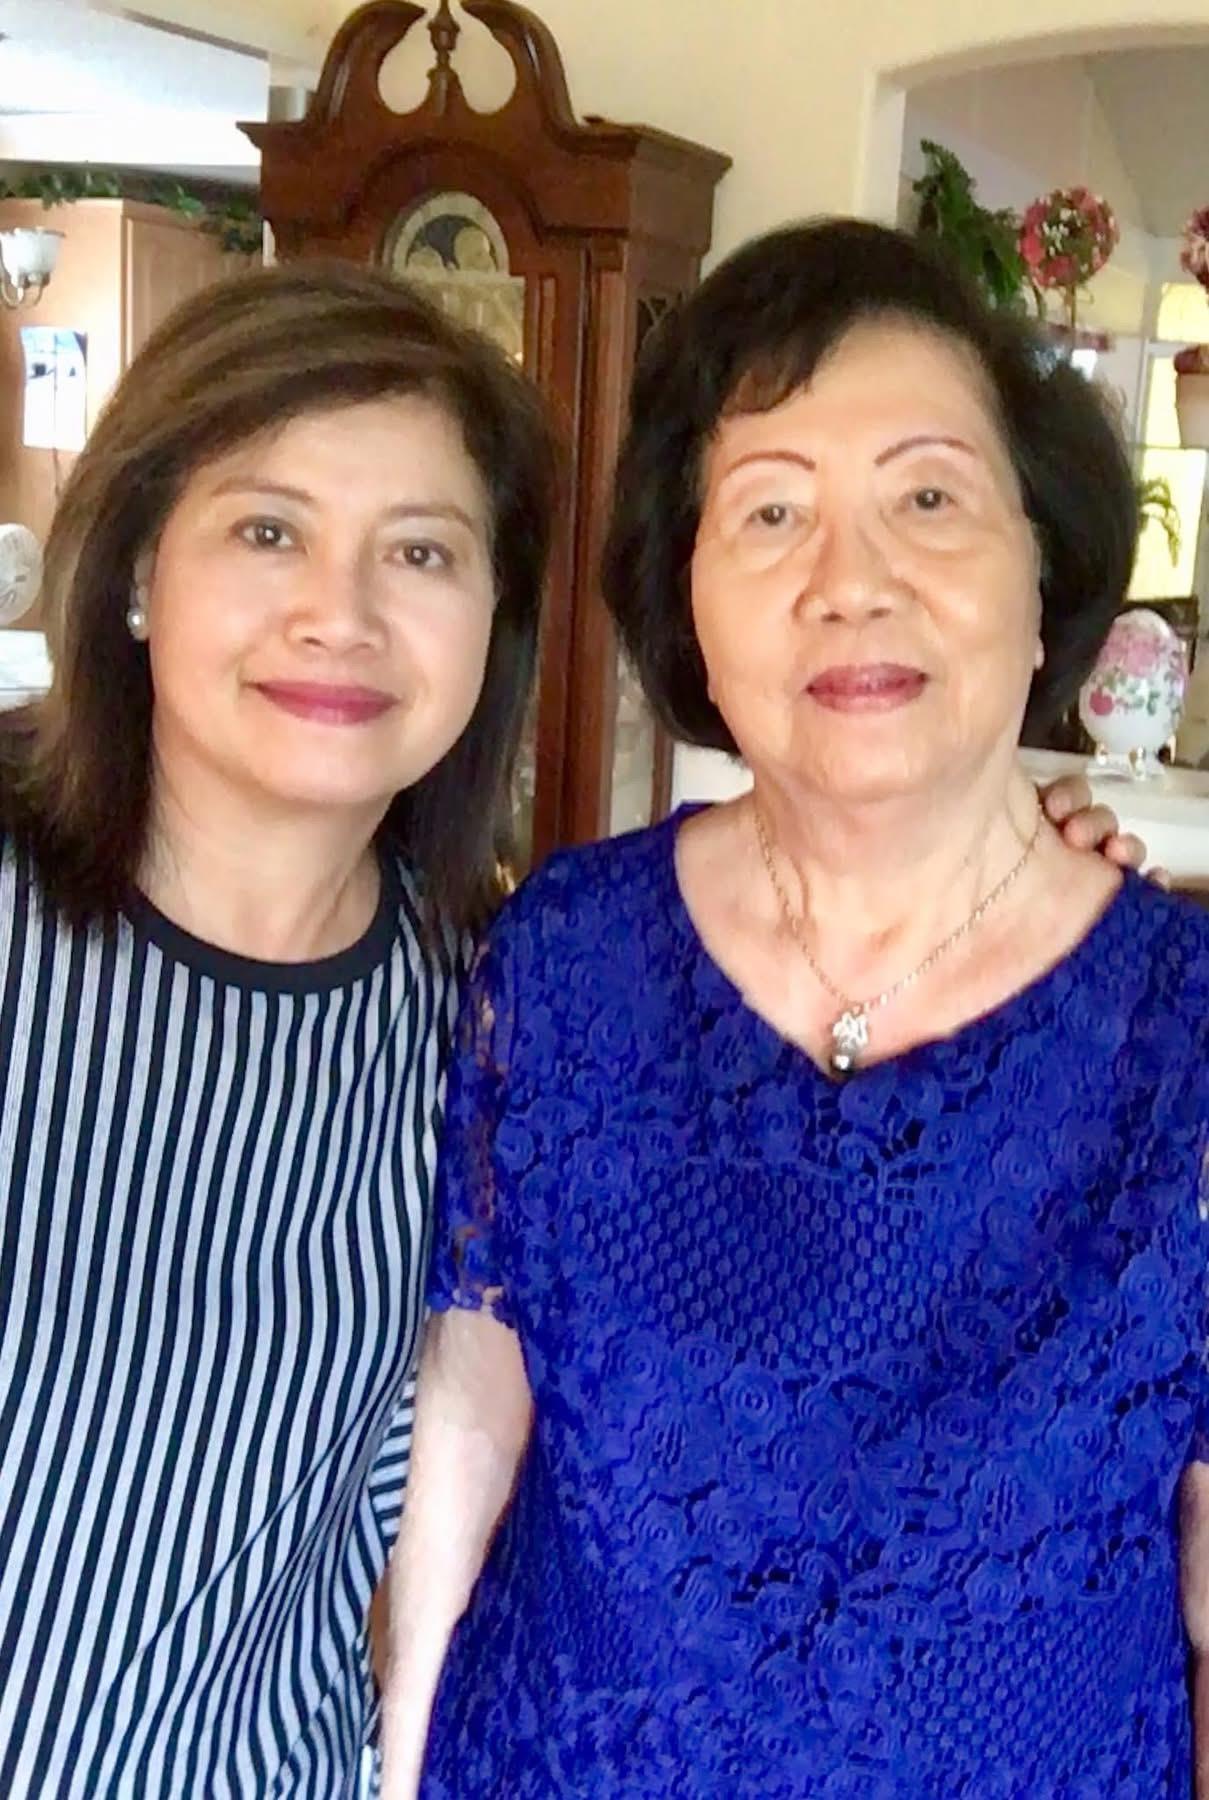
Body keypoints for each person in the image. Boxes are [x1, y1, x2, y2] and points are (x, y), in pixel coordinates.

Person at [382, 219, 1209, 1797]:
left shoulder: (1180, 1037)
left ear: (1044, 575)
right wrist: (402, 1757)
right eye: (769, 511)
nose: (851, 583)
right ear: (687, 598)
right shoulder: (562, 955)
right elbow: (476, 1403)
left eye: (927, 498)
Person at [0, 259, 555, 1796]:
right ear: (131, 573)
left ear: (493, 613)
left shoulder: (482, 1018)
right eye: (265, 530)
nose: (341, 615)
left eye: (423, 552)